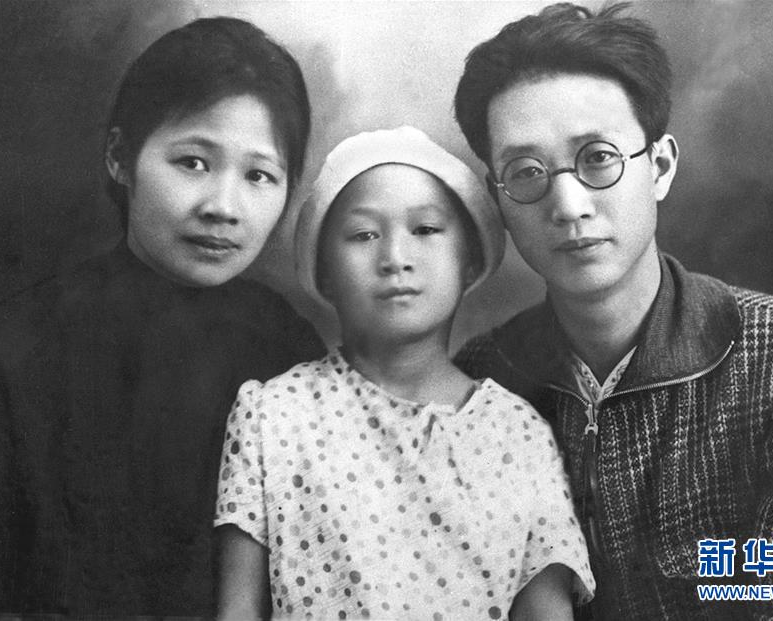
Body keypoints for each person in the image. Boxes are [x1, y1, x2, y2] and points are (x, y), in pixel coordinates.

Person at [452, 3, 773, 619]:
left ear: (660, 167)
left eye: (598, 157)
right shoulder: (479, 384)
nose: (568, 205)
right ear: (496, 198)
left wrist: (708, 569)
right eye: (526, 171)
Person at [0, 17, 324, 617]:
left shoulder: (289, 350)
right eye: (193, 163)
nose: (223, 207)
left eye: (259, 175)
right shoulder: (7, 351)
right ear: (119, 157)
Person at [213, 126, 596, 620]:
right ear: (325, 271)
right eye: (363, 235)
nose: (395, 259)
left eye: (426, 230)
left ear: (469, 260)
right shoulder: (274, 416)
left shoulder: (520, 436)